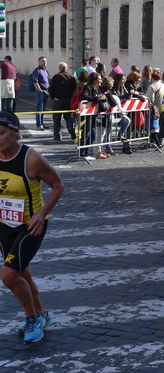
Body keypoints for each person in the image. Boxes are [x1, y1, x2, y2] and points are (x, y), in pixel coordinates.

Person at [0, 111, 64, 343]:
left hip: (30, 226)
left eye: (2, 133)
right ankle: (43, 314)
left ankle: (32, 318)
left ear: (15, 133)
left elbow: (57, 186)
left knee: (8, 276)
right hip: (4, 225)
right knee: (22, 272)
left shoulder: (31, 159)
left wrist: (42, 213)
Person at [48, 62, 76, 142]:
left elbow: (51, 89)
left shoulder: (56, 77)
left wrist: (52, 97)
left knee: (57, 118)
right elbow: (74, 88)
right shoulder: (71, 77)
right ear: (66, 68)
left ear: (59, 68)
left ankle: (57, 136)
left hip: (58, 100)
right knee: (68, 117)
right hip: (68, 99)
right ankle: (71, 131)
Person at [146, 70, 164, 148]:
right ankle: (159, 141)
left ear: (152, 78)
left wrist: (150, 107)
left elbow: (150, 99)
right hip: (163, 108)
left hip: (155, 109)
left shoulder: (152, 86)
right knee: (160, 126)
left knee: (154, 126)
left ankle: (156, 142)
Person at [31, 57, 50, 131]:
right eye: (43, 61)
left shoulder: (45, 71)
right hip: (40, 91)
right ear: (39, 62)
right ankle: (39, 125)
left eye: (45, 61)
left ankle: (42, 123)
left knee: (44, 108)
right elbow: (35, 82)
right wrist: (40, 90)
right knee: (39, 108)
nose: (45, 62)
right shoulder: (37, 70)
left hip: (46, 91)